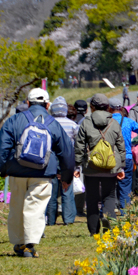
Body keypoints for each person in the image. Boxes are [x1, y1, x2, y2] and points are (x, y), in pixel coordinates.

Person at [0, 88, 75, 257]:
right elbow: (66, 152)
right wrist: (66, 177)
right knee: (35, 207)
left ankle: (19, 243)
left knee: (17, 207)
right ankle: (30, 244)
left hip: (17, 171)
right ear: (47, 104)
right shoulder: (53, 123)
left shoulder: (15, 120)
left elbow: (2, 145)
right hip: (42, 174)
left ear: (28, 103)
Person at [75, 94, 126, 235]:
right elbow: (121, 146)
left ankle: (93, 230)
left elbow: (79, 145)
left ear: (92, 107)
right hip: (110, 166)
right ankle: (109, 225)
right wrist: (121, 166)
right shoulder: (114, 123)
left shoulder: (86, 122)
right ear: (107, 107)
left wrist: (77, 165)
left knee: (91, 198)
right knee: (109, 197)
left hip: (91, 166)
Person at [46, 97, 79, 226]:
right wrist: (76, 166)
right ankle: (69, 219)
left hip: (51, 160)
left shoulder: (48, 123)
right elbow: (78, 146)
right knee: (67, 189)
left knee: (51, 190)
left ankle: (50, 219)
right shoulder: (73, 125)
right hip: (67, 160)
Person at [109, 95, 138, 210]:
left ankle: (107, 210)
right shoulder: (128, 122)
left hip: (110, 157)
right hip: (127, 157)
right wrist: (133, 142)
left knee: (108, 185)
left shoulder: (107, 122)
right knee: (125, 186)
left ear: (109, 109)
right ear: (120, 108)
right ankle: (125, 211)